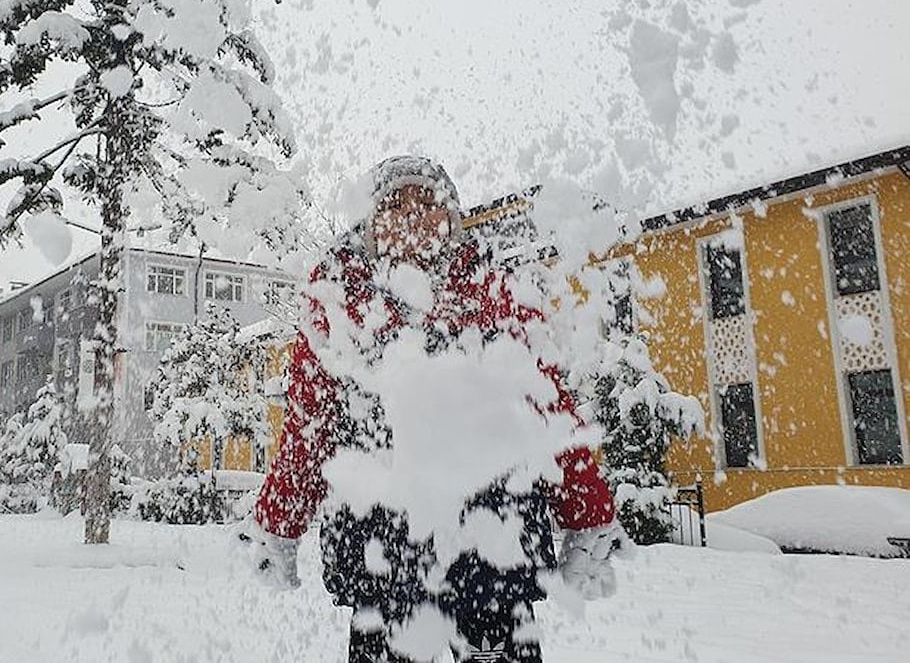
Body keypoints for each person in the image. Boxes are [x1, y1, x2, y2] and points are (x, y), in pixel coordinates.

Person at [242, 156, 630, 663]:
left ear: (450, 216)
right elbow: (311, 428)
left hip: (493, 545)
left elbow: (549, 407)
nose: (411, 215)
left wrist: (589, 514)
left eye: (426, 202)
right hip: (383, 549)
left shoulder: (494, 287)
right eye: (393, 204)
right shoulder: (340, 296)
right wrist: (279, 524)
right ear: (369, 222)